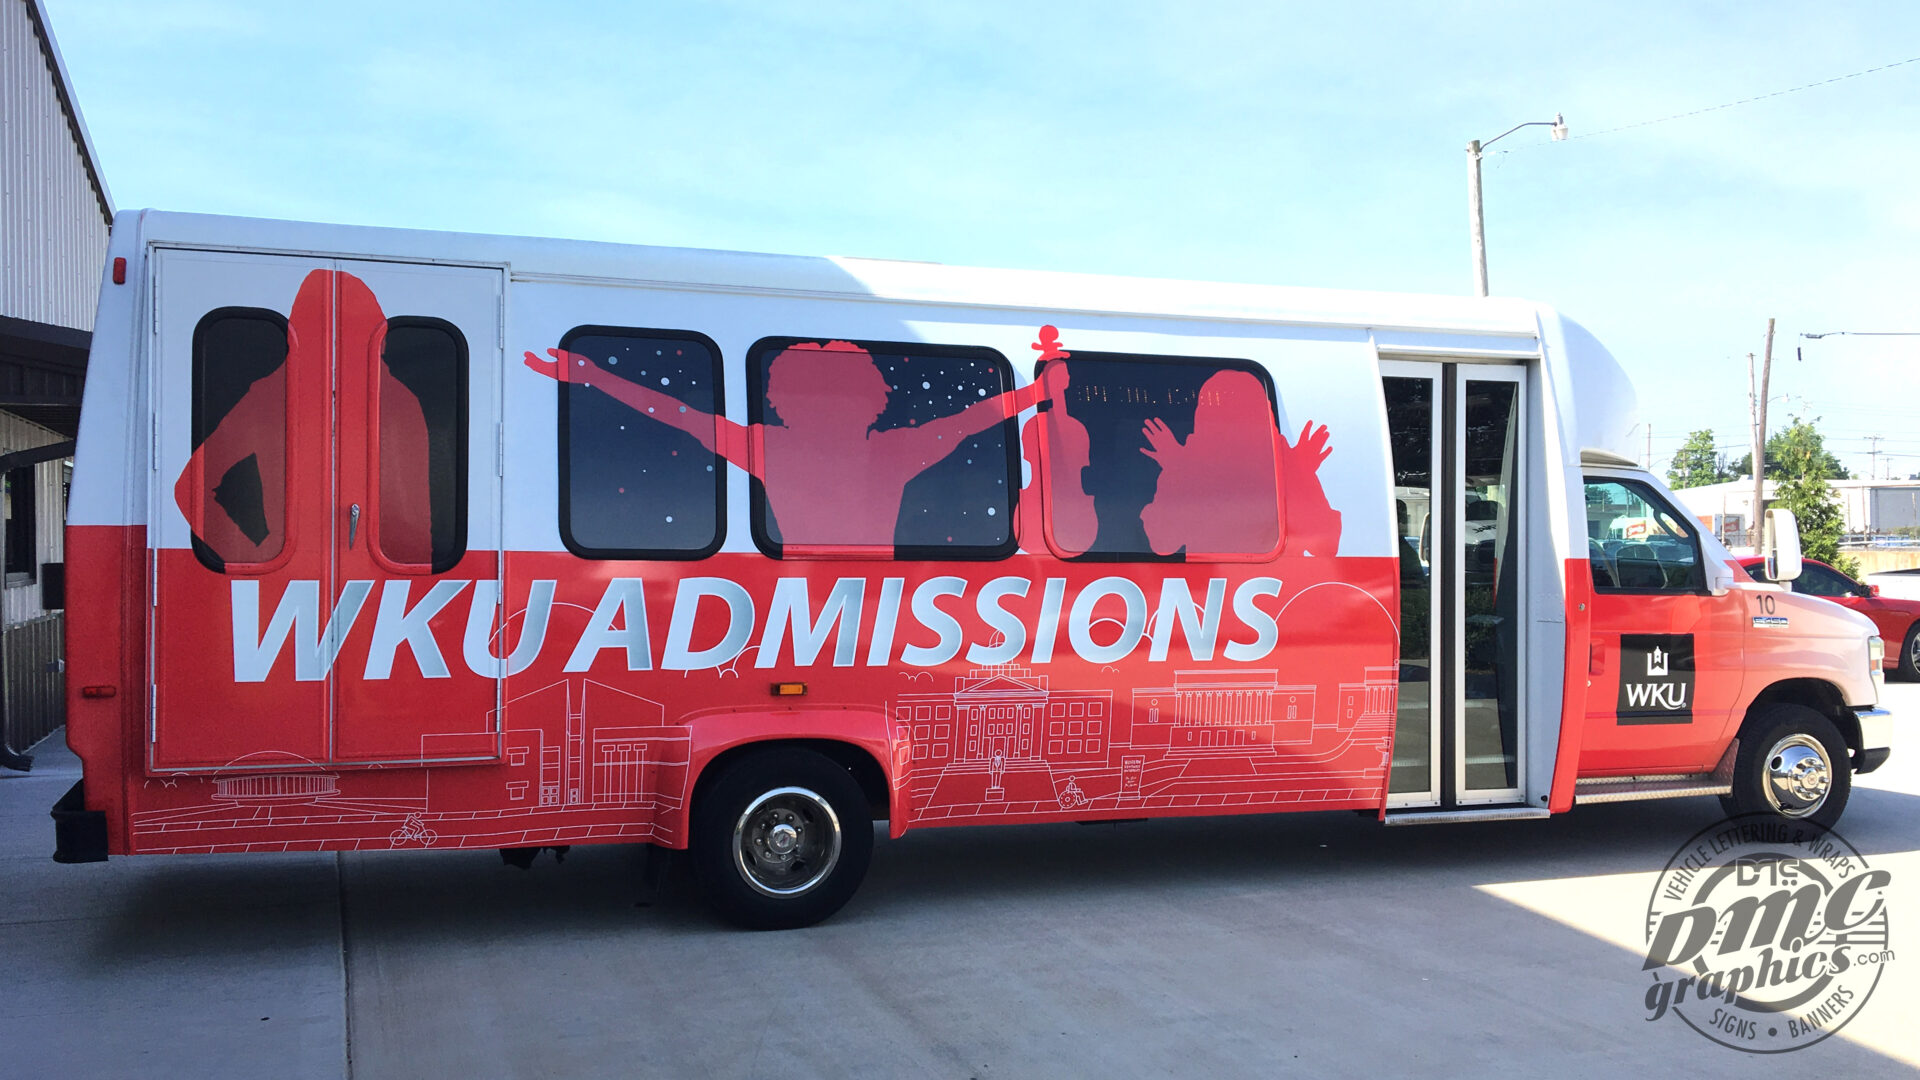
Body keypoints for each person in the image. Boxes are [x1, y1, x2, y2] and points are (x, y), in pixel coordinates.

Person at [525, 333, 1065, 553]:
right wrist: (1036, 392)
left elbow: (679, 416)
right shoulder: (897, 448)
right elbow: (973, 419)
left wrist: (595, 377)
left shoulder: (769, 446)